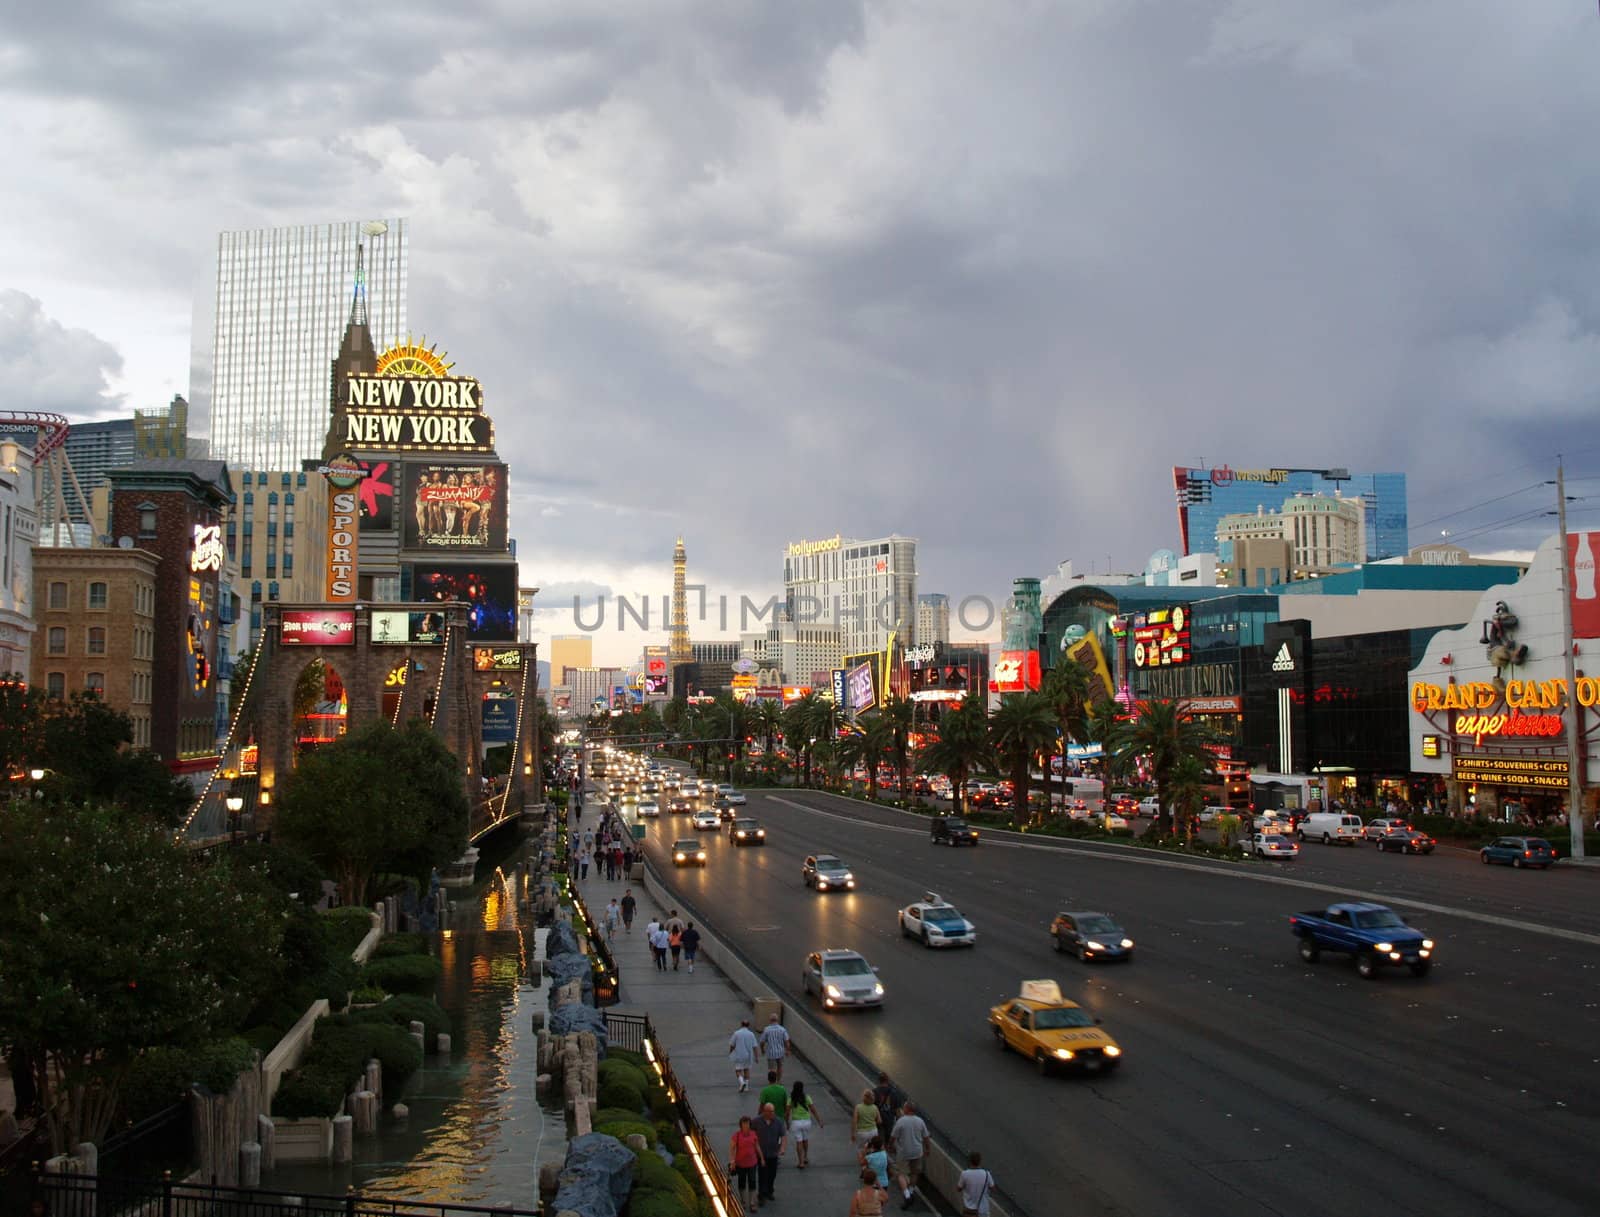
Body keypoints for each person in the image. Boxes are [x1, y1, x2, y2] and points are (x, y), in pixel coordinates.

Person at [889, 1101, 929, 1210]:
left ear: (906, 1109)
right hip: (917, 1151)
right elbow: (926, 1137)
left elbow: (893, 1136)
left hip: (904, 1152)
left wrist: (890, 1146)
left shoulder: (901, 1121)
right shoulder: (920, 1121)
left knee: (901, 1174)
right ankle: (911, 1191)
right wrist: (927, 1148)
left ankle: (907, 1196)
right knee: (915, 1173)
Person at [752, 1101, 787, 1207]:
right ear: (765, 1111)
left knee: (772, 1174)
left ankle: (769, 1191)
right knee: (762, 1175)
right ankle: (761, 1196)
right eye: (770, 1112)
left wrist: (782, 1148)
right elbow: (751, 1134)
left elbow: (783, 1136)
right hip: (761, 1154)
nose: (773, 1113)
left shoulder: (778, 1122)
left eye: (773, 1111)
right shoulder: (756, 1121)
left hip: (773, 1153)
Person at [728, 1114, 763, 1211]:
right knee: (742, 1183)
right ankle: (743, 1201)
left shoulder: (753, 1134)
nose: (746, 1125)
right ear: (741, 1125)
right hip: (741, 1164)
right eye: (744, 1124)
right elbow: (732, 1149)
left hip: (752, 1163)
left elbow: (757, 1146)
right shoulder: (736, 1136)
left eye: (747, 1123)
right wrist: (732, 1161)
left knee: (752, 1182)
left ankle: (752, 1203)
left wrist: (762, 1158)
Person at [788, 1079, 823, 1168]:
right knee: (805, 1139)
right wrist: (819, 1121)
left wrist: (786, 1122)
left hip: (796, 1122)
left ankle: (801, 1162)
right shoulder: (807, 1097)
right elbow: (813, 1110)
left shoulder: (791, 1098)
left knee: (799, 1142)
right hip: (807, 1122)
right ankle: (806, 1157)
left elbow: (787, 1112)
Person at [956, 1150, 995, 1217]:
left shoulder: (965, 1174)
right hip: (983, 1210)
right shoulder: (986, 1174)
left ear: (970, 1161)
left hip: (969, 1211)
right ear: (980, 1161)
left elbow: (958, 1189)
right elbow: (993, 1188)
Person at [728, 1018, 759, 1091]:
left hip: (739, 1054)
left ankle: (741, 1082)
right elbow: (755, 1046)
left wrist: (730, 1052)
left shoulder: (737, 1033)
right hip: (748, 1055)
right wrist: (756, 1057)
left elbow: (732, 1044)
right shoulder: (751, 1034)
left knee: (738, 1070)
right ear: (748, 1025)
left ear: (741, 1025)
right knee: (746, 1069)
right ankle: (747, 1087)